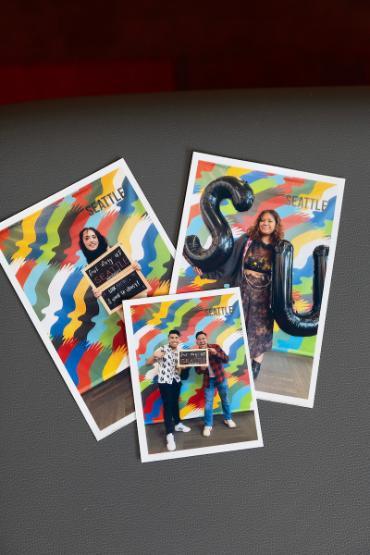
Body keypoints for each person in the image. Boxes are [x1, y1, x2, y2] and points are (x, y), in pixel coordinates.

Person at [195, 210, 284, 380]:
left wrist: (287, 300)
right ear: (258, 223)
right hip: (242, 291)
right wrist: (205, 271)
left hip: (264, 297)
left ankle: (256, 363)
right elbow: (227, 262)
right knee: (238, 327)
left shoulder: (280, 247)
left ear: (276, 224)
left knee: (261, 331)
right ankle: (236, 365)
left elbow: (285, 276)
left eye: (270, 221)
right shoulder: (247, 241)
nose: (265, 223)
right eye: (262, 220)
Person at [79, 227, 142, 319]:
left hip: (138, 294)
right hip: (119, 305)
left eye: (93, 236)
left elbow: (134, 270)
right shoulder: (89, 269)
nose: (91, 240)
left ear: (98, 238)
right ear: (83, 243)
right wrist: (98, 294)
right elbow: (101, 290)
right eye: (87, 238)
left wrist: (137, 267)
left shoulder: (115, 251)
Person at [147, 330, 191, 452]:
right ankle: (169, 434)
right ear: (168, 339)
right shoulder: (162, 349)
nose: (174, 339)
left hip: (176, 380)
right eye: (172, 337)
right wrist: (155, 356)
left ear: (179, 339)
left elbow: (180, 370)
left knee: (175, 403)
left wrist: (182, 368)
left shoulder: (180, 351)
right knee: (167, 406)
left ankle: (178, 424)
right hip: (164, 382)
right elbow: (148, 363)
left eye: (176, 337)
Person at [194, 331, 236, 437]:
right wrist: (201, 369)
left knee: (225, 399)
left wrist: (216, 353)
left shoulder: (215, 347)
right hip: (209, 381)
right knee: (208, 404)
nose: (202, 340)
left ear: (206, 339)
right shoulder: (195, 353)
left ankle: (228, 419)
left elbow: (226, 359)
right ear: (197, 341)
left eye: (203, 338)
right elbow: (197, 371)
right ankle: (208, 425)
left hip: (220, 378)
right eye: (199, 339)